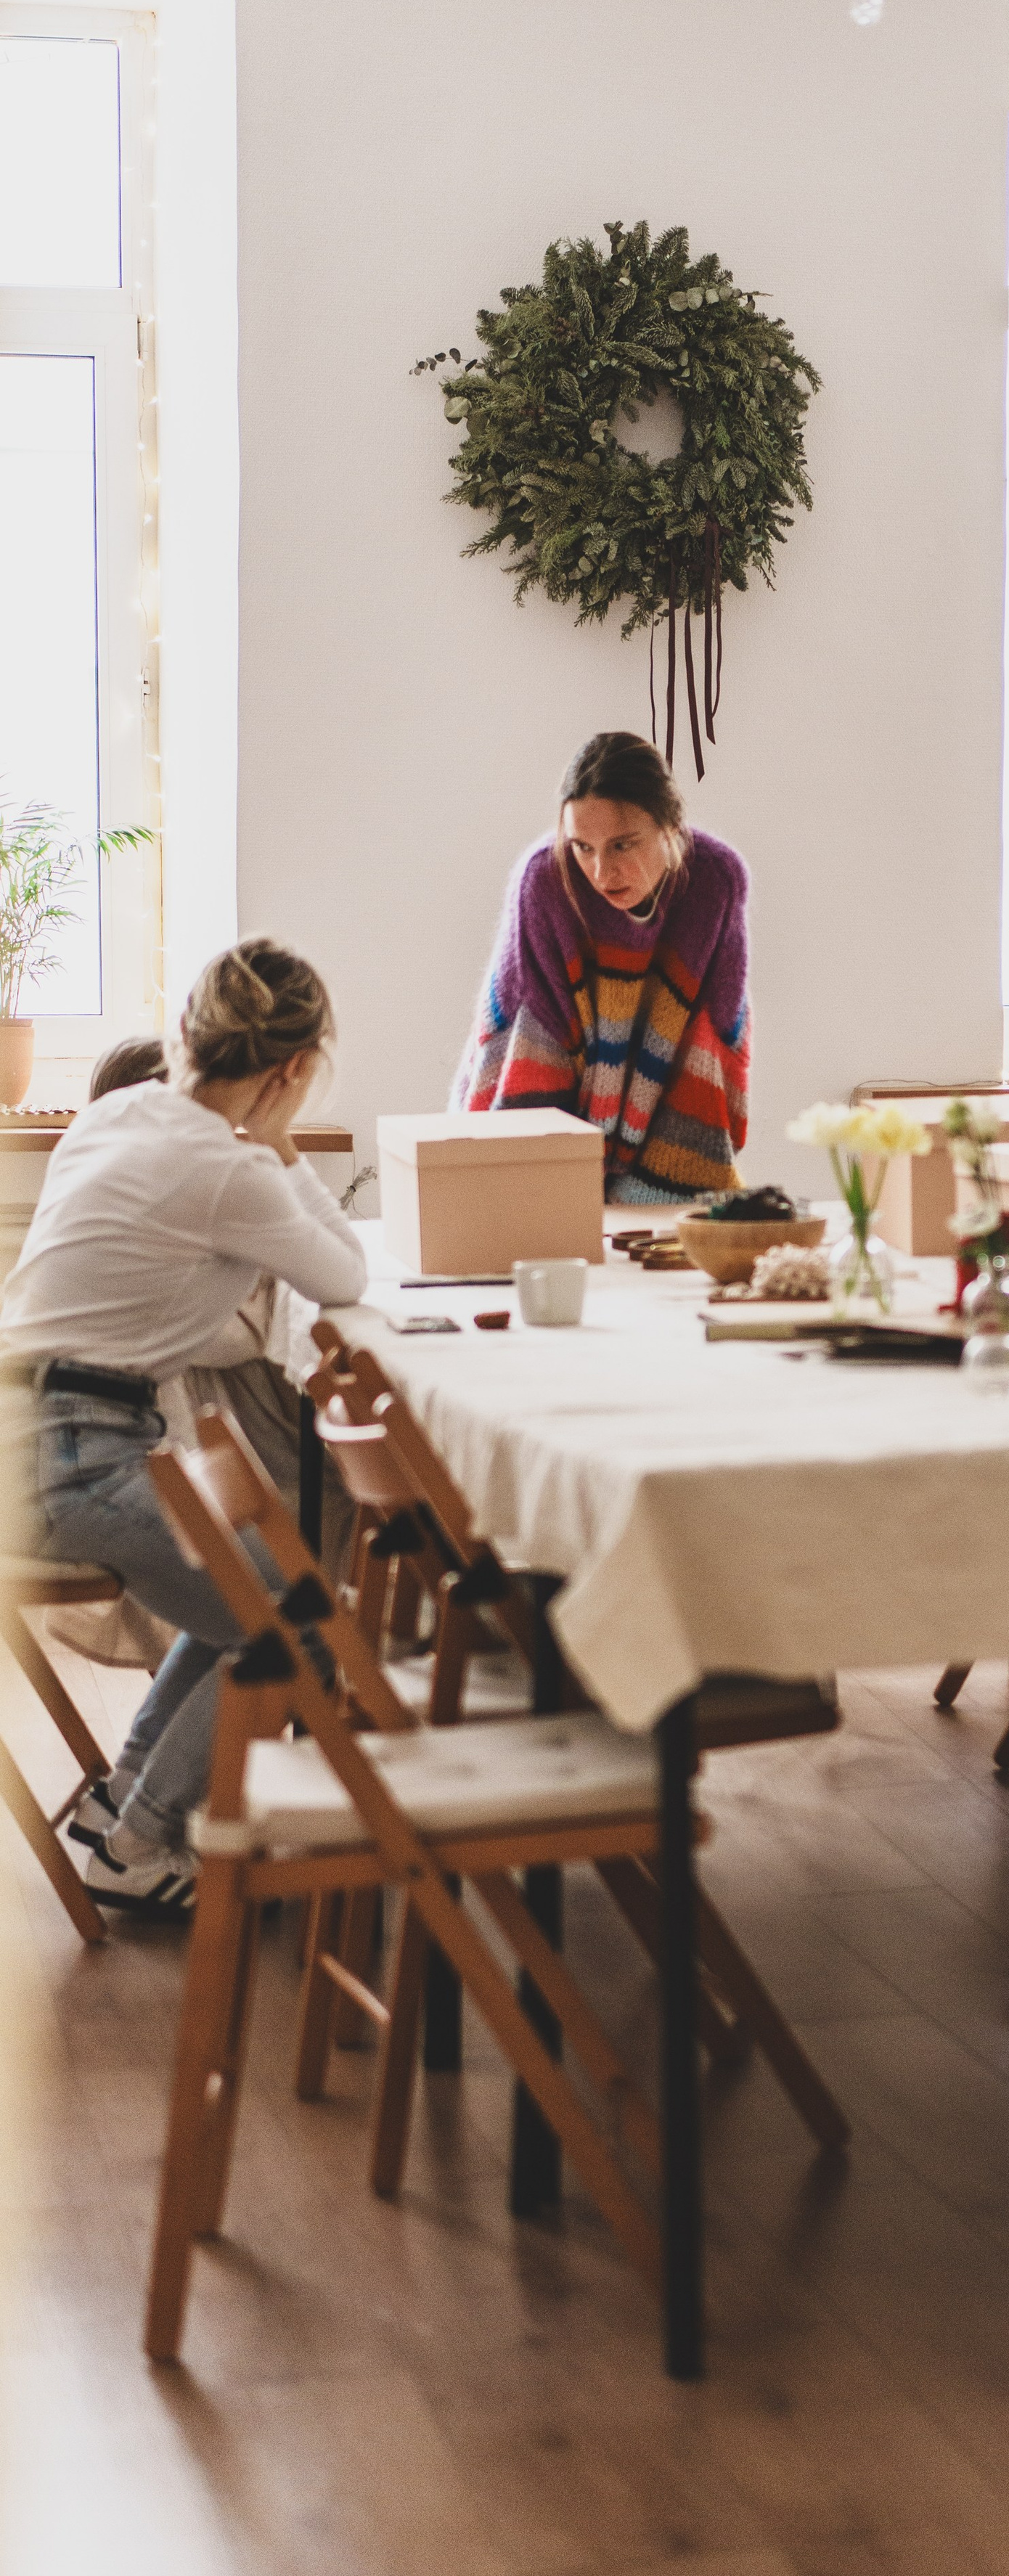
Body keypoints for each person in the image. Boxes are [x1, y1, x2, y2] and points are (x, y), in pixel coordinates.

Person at [0, 940, 366, 1913]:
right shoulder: (229, 1168)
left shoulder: (119, 1107)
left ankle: (122, 1801)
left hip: (28, 1433)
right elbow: (345, 1277)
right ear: (291, 1071)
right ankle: (139, 1845)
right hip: (69, 1459)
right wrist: (283, 1142)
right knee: (302, 1623)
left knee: (256, 1589)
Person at [457, 730, 750, 1206]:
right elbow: (533, 1038)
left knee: (662, 1236)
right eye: (582, 846)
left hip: (667, 1102)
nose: (599, 872)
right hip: (546, 1092)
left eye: (622, 845)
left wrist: (658, 1182)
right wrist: (556, 1185)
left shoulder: (716, 880)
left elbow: (713, 1031)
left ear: (669, 826)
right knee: (543, 1218)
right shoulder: (545, 882)